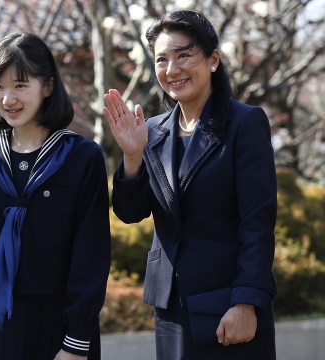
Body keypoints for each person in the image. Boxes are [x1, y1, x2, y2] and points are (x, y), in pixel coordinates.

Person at [103, 9, 277, 359]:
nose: (172, 70)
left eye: (184, 55)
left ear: (213, 59)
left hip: (227, 306)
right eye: (162, 60)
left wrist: (246, 302)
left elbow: (257, 223)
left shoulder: (245, 123)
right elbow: (130, 212)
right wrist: (133, 156)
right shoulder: (150, 130)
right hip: (171, 309)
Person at [0, 32, 111, 360]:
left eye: (20, 85)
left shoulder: (80, 157)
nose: (8, 98)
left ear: (47, 86)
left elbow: (92, 253)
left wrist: (75, 341)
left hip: (60, 328)